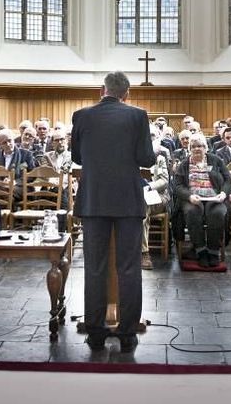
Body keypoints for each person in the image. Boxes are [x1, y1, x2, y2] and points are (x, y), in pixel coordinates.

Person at [71, 71, 155, 353]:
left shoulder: (81, 116)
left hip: (94, 201)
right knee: (129, 268)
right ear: (127, 94)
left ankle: (95, 333)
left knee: (94, 267)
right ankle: (127, 334)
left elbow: (76, 157)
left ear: (101, 91)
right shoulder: (138, 116)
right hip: (127, 202)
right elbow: (146, 158)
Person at [174, 134, 231, 268]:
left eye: (200, 146)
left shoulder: (216, 160)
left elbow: (229, 180)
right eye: (193, 146)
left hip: (215, 198)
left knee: (217, 214)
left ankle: (213, 251)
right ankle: (200, 251)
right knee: (192, 212)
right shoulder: (184, 164)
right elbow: (177, 186)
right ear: (190, 149)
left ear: (205, 148)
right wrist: (189, 196)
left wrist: (223, 193)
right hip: (193, 199)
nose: (197, 149)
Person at [141, 145, 171, 270]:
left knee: (143, 203)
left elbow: (164, 181)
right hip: (134, 195)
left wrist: (148, 186)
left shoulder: (159, 159)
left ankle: (144, 253)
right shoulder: (130, 157)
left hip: (158, 196)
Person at [0, 128, 37, 201]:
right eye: (4, 142)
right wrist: (2, 183)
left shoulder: (26, 155)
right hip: (2, 187)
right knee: (1, 195)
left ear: (13, 140)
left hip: (21, 187)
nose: (8, 144)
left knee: (6, 194)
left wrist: (15, 182)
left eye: (10, 141)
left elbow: (32, 175)